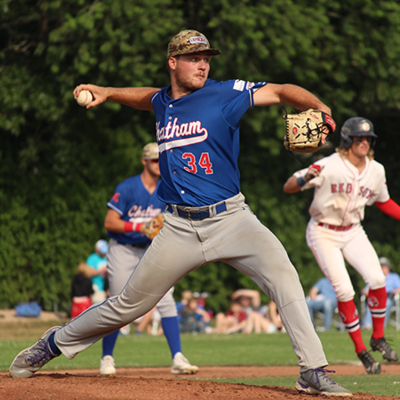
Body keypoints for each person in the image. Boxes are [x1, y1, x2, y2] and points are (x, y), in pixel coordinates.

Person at [10, 29, 351, 397]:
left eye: (206, 58)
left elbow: (283, 90)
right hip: (179, 227)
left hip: (233, 219)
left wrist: (322, 110)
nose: (202, 64)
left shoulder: (225, 94)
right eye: (194, 58)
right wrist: (107, 93)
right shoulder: (163, 103)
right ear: (173, 63)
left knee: (285, 277)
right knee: (127, 306)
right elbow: (147, 98)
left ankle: (312, 369)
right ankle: (53, 343)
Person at [283, 117, 400, 375]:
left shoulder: (376, 170)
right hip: (323, 232)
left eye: (368, 139)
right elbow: (289, 186)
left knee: (377, 281)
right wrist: (304, 179)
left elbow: (384, 202)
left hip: (353, 231)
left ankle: (377, 337)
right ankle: (361, 350)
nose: (364, 142)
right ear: (347, 140)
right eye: (359, 138)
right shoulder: (327, 165)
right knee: (345, 290)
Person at [99, 142, 198, 375]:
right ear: (144, 161)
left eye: (160, 160)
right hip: (123, 250)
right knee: (117, 303)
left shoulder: (168, 188)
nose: (158, 164)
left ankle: (177, 358)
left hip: (151, 249)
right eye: (154, 160)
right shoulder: (128, 187)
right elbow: (109, 222)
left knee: (166, 299)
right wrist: (139, 225)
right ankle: (107, 358)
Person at [362, 257, 400, 329]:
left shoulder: (394, 277)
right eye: (381, 266)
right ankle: (367, 325)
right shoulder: (375, 278)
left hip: (389, 298)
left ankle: (381, 326)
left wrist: (393, 291)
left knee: (386, 303)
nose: (382, 268)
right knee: (371, 302)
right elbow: (365, 290)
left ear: (388, 267)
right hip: (377, 297)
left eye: (384, 266)